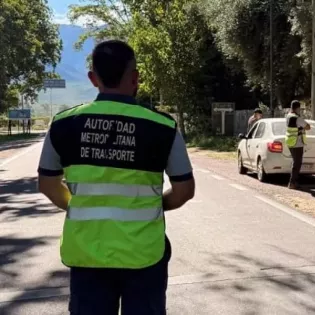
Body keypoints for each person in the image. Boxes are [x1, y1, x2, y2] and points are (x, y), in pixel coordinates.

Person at [37, 40, 196, 315]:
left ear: (92, 78)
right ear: (135, 78)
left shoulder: (63, 124)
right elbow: (184, 190)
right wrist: (155, 206)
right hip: (145, 256)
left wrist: (79, 204)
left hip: (87, 255)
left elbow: (48, 185)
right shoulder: (163, 127)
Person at [285, 100, 310, 189]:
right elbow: (308, 127)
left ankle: (293, 182)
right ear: (298, 108)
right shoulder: (297, 118)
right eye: (300, 108)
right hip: (297, 143)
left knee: (295, 162)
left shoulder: (288, 116)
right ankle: (292, 182)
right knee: (297, 163)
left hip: (290, 141)